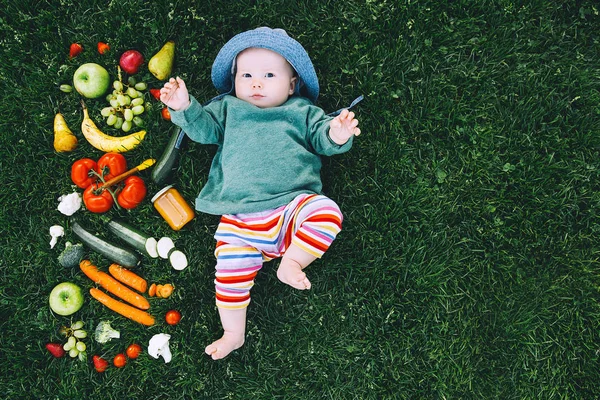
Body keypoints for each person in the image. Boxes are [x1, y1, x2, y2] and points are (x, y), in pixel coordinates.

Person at [160, 27, 361, 360]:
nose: (256, 83)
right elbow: (204, 130)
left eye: (269, 75)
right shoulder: (228, 109)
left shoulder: (302, 113)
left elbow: (321, 140)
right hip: (240, 220)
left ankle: (293, 261)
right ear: (234, 79)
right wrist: (184, 107)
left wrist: (337, 133)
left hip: (293, 208)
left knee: (327, 213)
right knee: (228, 275)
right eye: (247, 74)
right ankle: (233, 332)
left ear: (292, 85)